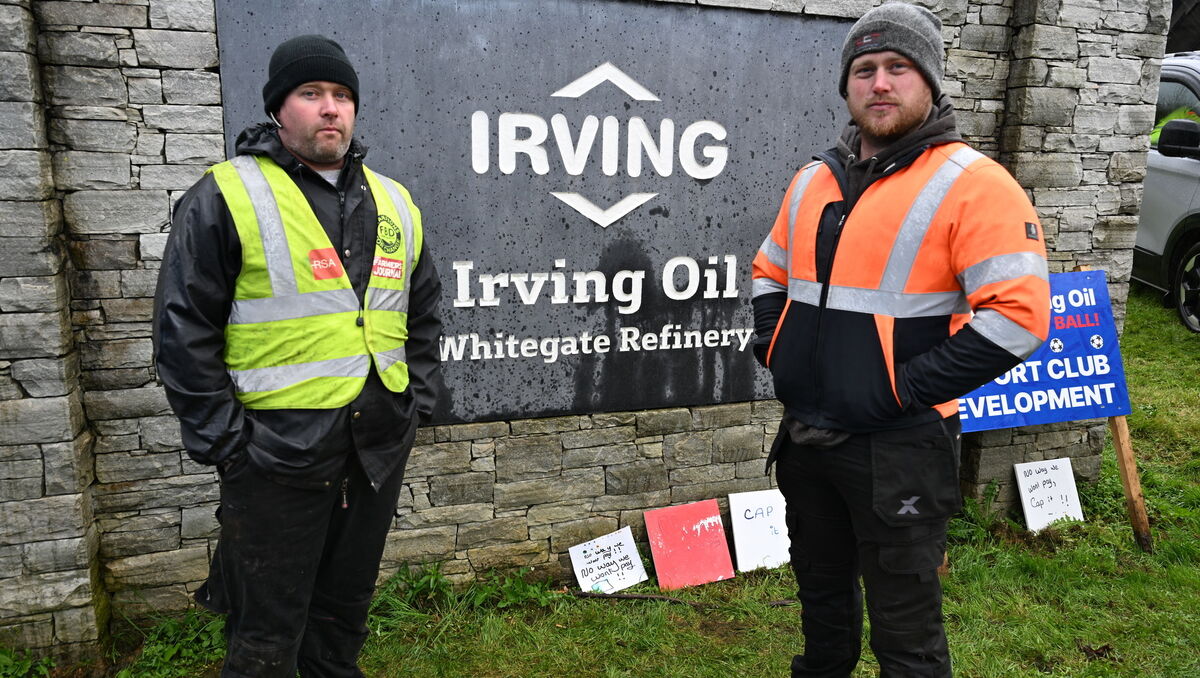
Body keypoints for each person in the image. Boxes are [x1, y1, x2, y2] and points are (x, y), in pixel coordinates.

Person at [750, 4, 1049, 676]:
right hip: (807, 437)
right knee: (821, 603)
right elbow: (770, 270)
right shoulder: (814, 180)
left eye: (898, 67)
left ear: (930, 81)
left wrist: (898, 389)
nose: (879, 83)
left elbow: (1019, 317)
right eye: (864, 69)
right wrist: (774, 346)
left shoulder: (974, 184)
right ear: (846, 85)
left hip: (899, 446)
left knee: (906, 632)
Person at [153, 34, 442, 677]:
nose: (330, 108)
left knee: (342, 614)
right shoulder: (227, 195)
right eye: (311, 93)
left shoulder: (395, 202)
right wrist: (228, 445)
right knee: (267, 632)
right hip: (273, 455)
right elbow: (183, 329)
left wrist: (413, 406)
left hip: (373, 448)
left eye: (342, 95)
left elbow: (421, 314)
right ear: (278, 108)